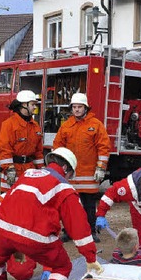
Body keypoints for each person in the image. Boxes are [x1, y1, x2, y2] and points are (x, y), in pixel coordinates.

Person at [0, 147, 103, 280]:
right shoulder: (64, 188)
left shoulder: (28, 173)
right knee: (62, 267)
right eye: (71, 173)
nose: (70, 177)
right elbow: (79, 228)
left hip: (4, 229)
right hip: (34, 237)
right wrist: (90, 257)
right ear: (65, 168)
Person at [53, 92, 111, 243]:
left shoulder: (96, 125)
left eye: (80, 107)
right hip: (70, 176)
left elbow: (104, 147)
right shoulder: (66, 126)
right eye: (74, 107)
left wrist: (101, 168)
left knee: (89, 206)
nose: (77, 110)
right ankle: (68, 232)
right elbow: (57, 147)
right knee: (69, 206)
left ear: (86, 108)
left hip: (89, 174)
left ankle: (91, 232)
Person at [0, 193, 51, 280]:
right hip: (2, 239)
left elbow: (47, 237)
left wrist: (48, 267)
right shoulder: (2, 201)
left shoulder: (40, 205)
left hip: (23, 241)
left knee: (23, 273)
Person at [0, 90, 44, 192]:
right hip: (13, 171)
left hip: (30, 171)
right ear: (23, 105)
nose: (35, 107)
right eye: (32, 104)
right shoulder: (9, 125)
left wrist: (41, 169)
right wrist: (9, 168)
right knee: (9, 204)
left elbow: (38, 151)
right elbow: (4, 148)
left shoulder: (35, 126)